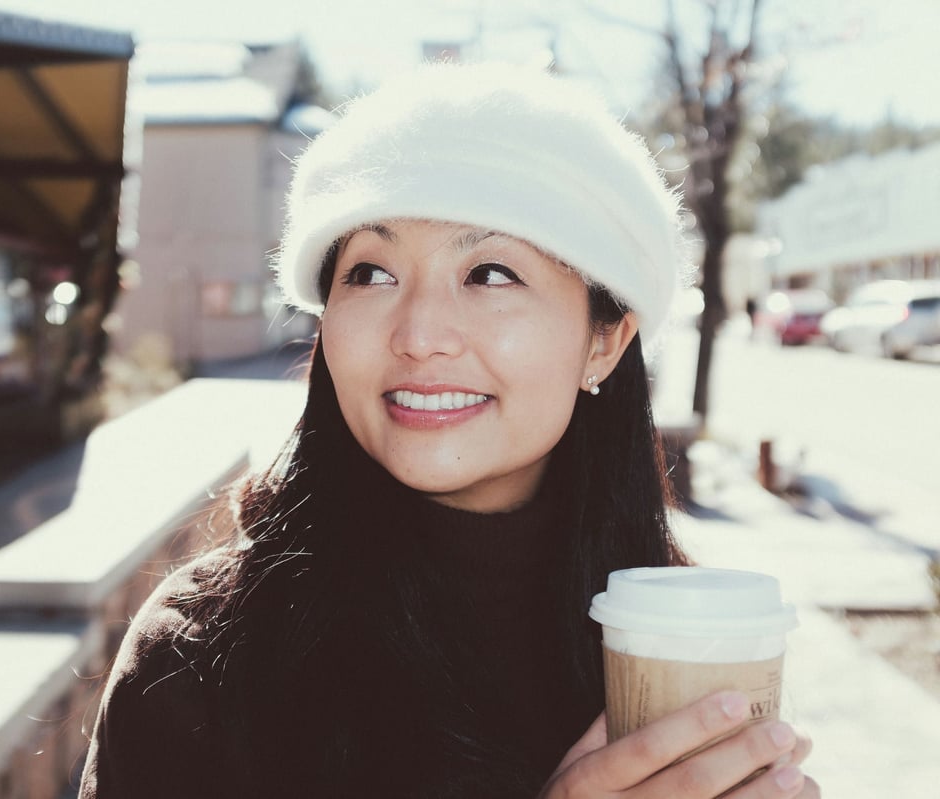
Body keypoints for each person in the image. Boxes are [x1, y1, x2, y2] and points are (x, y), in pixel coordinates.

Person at [78, 62, 818, 798]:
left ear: (606, 342)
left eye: (491, 273)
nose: (421, 334)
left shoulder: (676, 644)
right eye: (370, 274)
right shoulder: (201, 654)